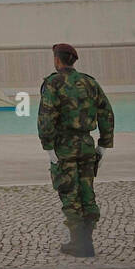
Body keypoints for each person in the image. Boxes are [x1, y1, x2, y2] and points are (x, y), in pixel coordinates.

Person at [38, 42, 114, 257]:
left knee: (69, 194)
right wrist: (103, 144)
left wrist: (48, 147)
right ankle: (86, 241)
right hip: (86, 145)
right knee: (87, 193)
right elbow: (106, 112)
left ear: (57, 60)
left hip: (65, 147)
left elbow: (46, 117)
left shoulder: (53, 83)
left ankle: (79, 244)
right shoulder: (90, 82)